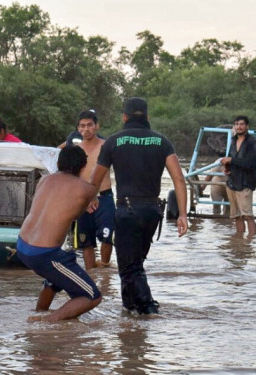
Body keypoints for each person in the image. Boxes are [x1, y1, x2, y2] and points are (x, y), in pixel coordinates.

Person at [89, 97, 189, 315]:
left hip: (127, 210)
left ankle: (148, 308)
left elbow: (95, 179)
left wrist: (90, 199)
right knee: (134, 263)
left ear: (124, 117)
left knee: (129, 266)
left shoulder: (113, 142)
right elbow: (179, 180)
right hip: (153, 211)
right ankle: (129, 311)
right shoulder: (162, 142)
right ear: (147, 117)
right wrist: (182, 214)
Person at [17, 145, 101, 322]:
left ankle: (40, 311)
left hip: (22, 245)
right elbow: (75, 215)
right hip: (44, 254)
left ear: (58, 162)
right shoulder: (86, 189)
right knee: (92, 296)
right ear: (83, 167)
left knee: (62, 267)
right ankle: (45, 323)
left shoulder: (45, 180)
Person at [72, 110, 115, 269]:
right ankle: (90, 273)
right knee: (85, 241)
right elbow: (71, 176)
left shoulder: (107, 146)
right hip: (83, 200)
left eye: (90, 125)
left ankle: (104, 269)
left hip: (104, 197)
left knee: (107, 236)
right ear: (78, 129)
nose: (86, 129)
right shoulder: (76, 150)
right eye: (82, 126)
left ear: (97, 126)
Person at [219, 116, 256, 235]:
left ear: (247, 126)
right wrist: (227, 168)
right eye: (236, 124)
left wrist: (231, 160)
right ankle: (239, 243)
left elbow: (251, 164)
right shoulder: (233, 140)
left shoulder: (253, 142)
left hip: (245, 183)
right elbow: (233, 160)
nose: (239, 127)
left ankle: (251, 244)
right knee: (236, 216)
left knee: (248, 216)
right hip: (232, 182)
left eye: (241, 124)